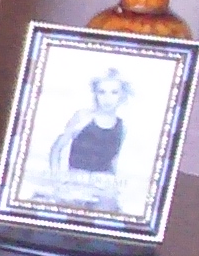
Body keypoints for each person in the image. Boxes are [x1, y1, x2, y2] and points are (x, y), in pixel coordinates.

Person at [40, 70, 132, 211]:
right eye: (102, 92)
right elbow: (57, 148)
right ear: (95, 94)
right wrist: (56, 179)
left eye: (114, 92)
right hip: (76, 179)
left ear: (122, 95)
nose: (107, 98)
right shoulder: (83, 117)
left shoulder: (122, 126)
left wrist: (114, 189)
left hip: (103, 183)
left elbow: (114, 161)